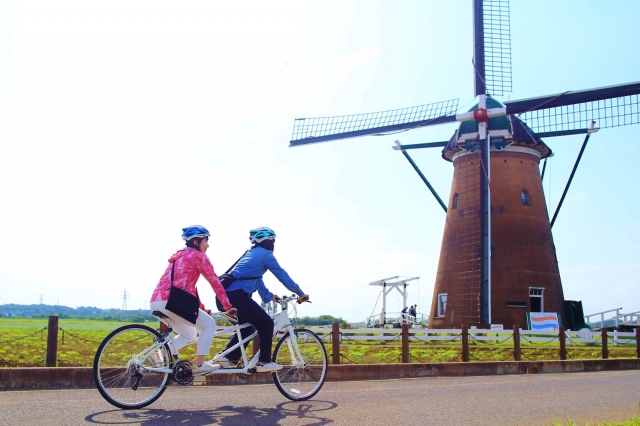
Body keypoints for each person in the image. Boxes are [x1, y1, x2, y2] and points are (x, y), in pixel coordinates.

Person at [215, 226, 309, 372]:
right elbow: (281, 275)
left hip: (226, 296)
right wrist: (300, 293)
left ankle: (227, 357)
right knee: (266, 324)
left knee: (247, 328)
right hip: (237, 296)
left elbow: (257, 281)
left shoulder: (251, 253)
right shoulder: (266, 255)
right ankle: (264, 362)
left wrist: (272, 297)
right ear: (268, 241)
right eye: (273, 241)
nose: (274, 244)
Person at [150, 225, 237, 374]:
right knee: (209, 324)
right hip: (173, 302)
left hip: (158, 301)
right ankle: (199, 366)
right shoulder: (199, 256)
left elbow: (187, 288)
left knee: (189, 334)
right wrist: (227, 306)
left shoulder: (179, 256)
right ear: (197, 242)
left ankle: (159, 354)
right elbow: (214, 281)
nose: (208, 244)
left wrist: (201, 307)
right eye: (206, 240)